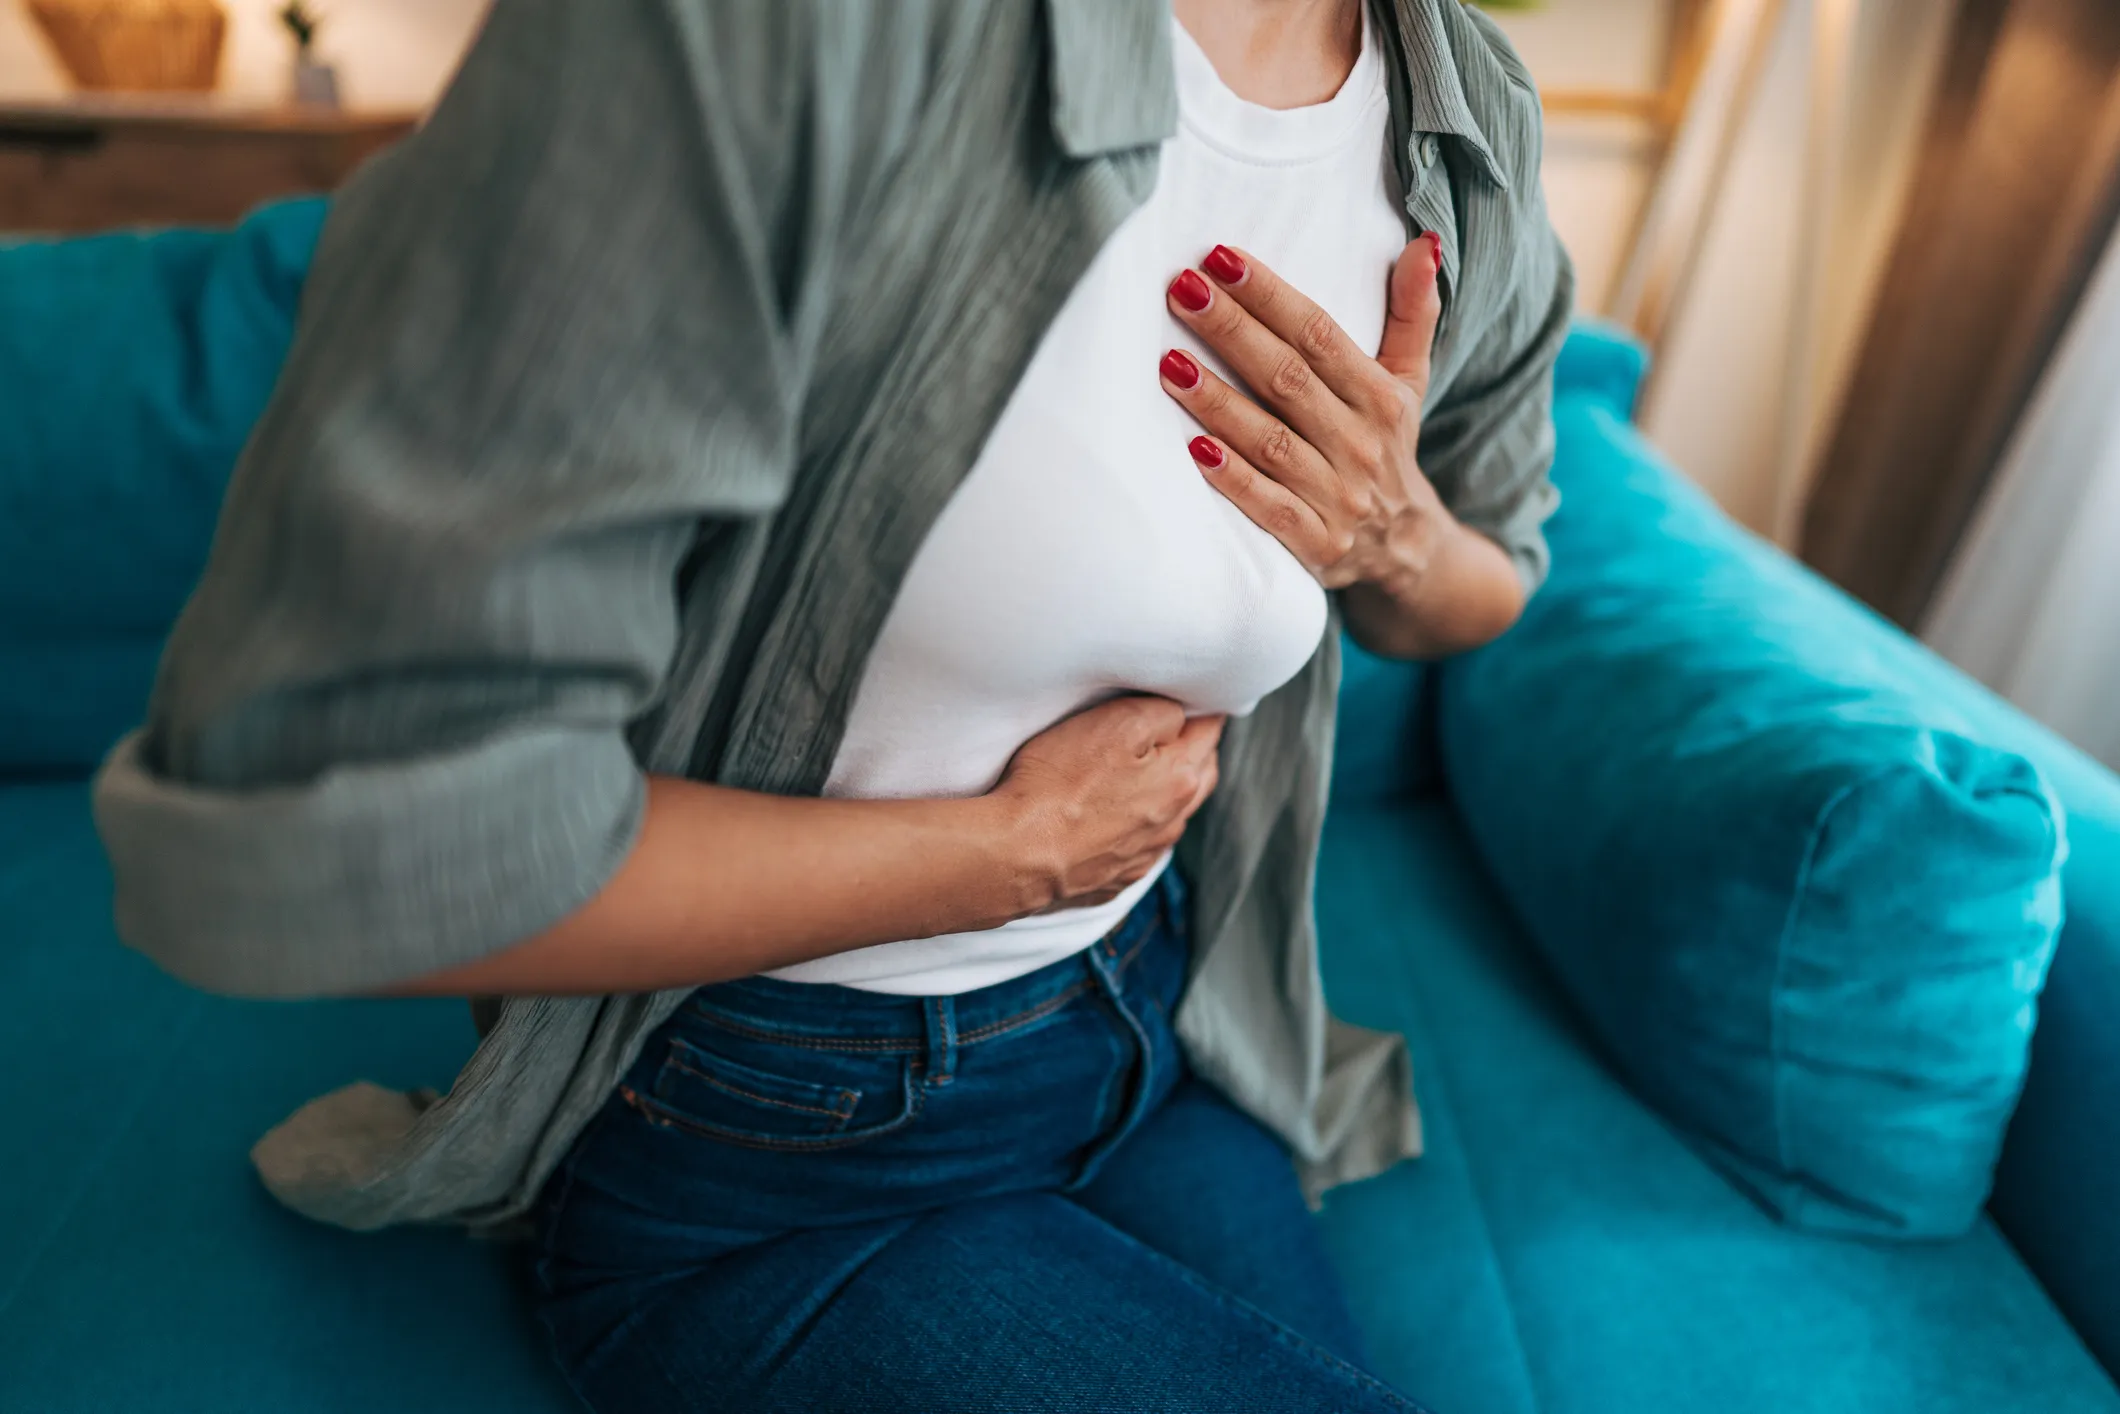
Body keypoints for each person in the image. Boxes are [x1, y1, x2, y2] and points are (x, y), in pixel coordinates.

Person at [93, 0, 1573, 1409]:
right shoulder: (778, 42)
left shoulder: (1469, 118)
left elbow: (1491, 571)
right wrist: (1002, 854)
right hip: (776, 1145)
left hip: (1161, 1021)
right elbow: (333, 855)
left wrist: (1395, 535)